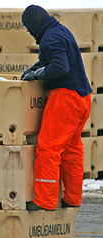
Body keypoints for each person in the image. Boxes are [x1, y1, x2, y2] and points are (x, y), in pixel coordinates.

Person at [21, 5, 92, 211]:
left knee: (48, 148)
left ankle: (45, 201)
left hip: (66, 99)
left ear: (34, 24)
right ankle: (72, 198)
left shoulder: (49, 38)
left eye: (27, 27)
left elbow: (60, 67)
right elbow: (51, 59)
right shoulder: (60, 30)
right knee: (71, 150)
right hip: (83, 98)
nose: (27, 31)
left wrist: (36, 75)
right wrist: (34, 68)